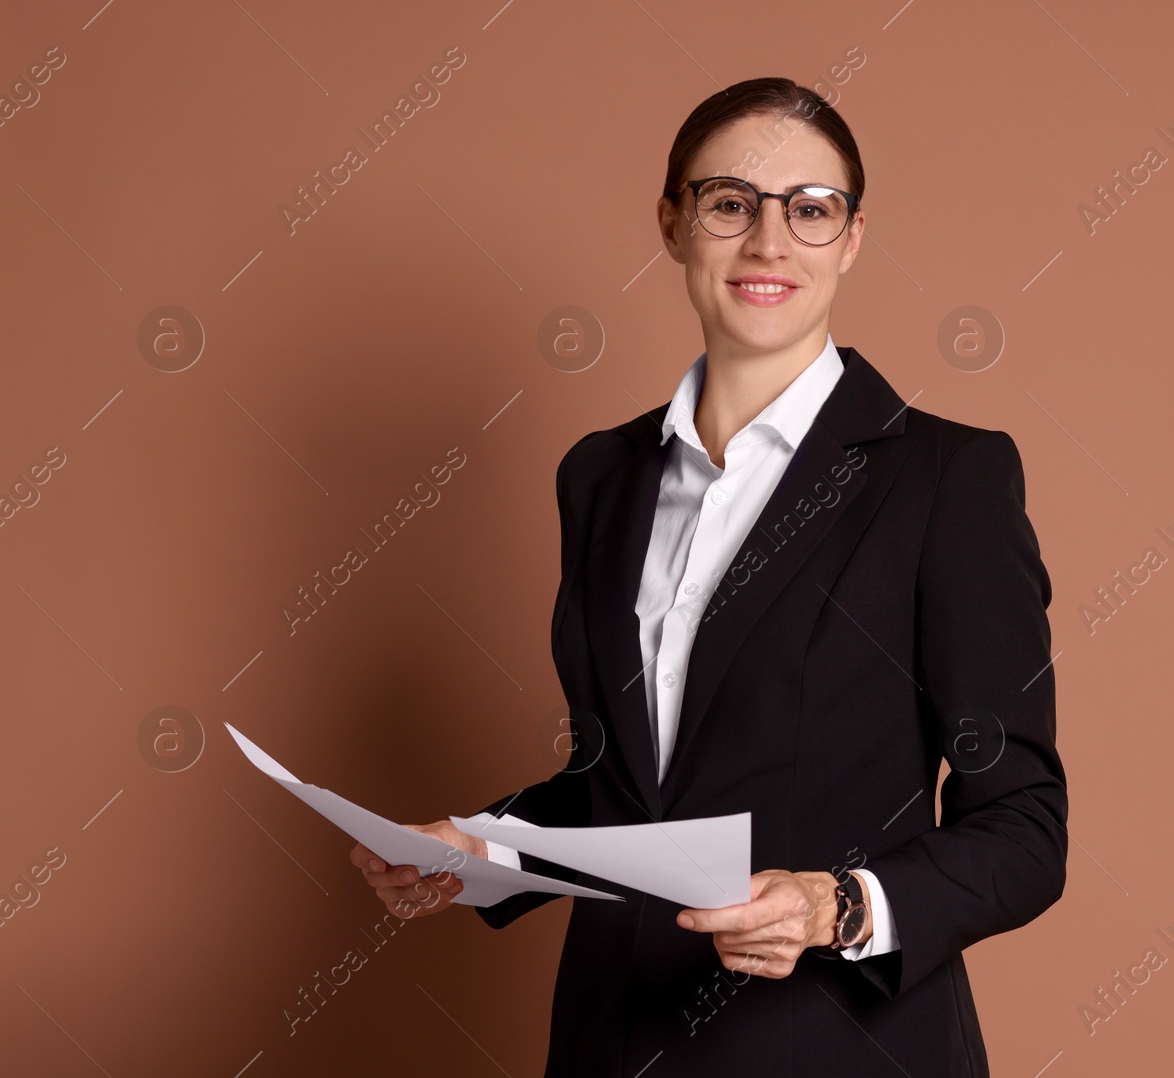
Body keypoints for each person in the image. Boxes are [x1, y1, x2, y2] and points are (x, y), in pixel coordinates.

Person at [349, 76, 1067, 1076]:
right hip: (613, 1041)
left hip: (837, 1048)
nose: (769, 243)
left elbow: (1023, 831)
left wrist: (839, 904)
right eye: (731, 203)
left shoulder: (946, 480)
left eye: (809, 211)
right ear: (674, 223)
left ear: (850, 239)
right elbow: (629, 789)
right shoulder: (599, 477)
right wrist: (481, 853)